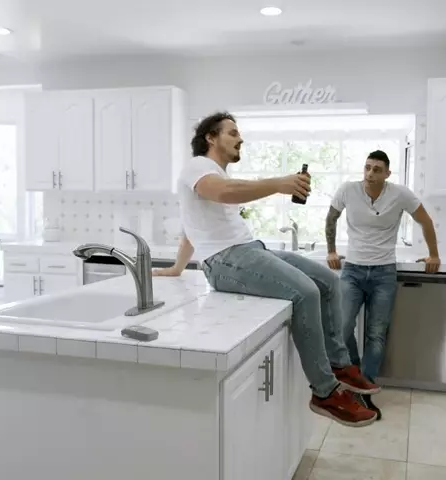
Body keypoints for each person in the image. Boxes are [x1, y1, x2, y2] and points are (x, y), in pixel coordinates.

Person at [152, 111, 380, 427]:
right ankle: (325, 392)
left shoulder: (215, 174)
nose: (240, 138)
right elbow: (224, 192)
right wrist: (278, 184)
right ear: (210, 137)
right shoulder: (198, 167)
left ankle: (339, 364)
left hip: (248, 249)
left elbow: (192, 227)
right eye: (232, 133)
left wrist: (177, 268)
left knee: (328, 281)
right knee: (306, 292)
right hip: (225, 259)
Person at [325, 150, 440, 419]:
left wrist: (434, 254)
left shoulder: (400, 194)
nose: (370, 173)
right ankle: (355, 376)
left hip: (384, 273)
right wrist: (331, 250)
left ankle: (364, 390)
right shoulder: (348, 190)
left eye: (377, 169)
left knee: (376, 335)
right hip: (352, 271)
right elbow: (331, 218)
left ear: (387, 173)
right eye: (367, 167)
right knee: (342, 328)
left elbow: (425, 221)